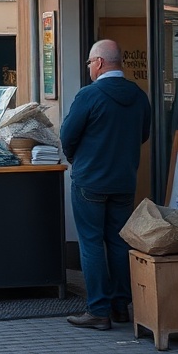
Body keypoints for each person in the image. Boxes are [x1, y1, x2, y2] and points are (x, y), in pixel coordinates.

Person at [60, 39, 150, 330]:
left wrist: (78, 159)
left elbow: (67, 135)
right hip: (124, 181)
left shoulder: (89, 95)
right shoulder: (138, 95)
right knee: (118, 242)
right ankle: (121, 306)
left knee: (91, 244)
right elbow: (143, 134)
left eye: (89, 63)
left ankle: (98, 310)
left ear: (99, 62)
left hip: (90, 181)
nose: (89, 68)